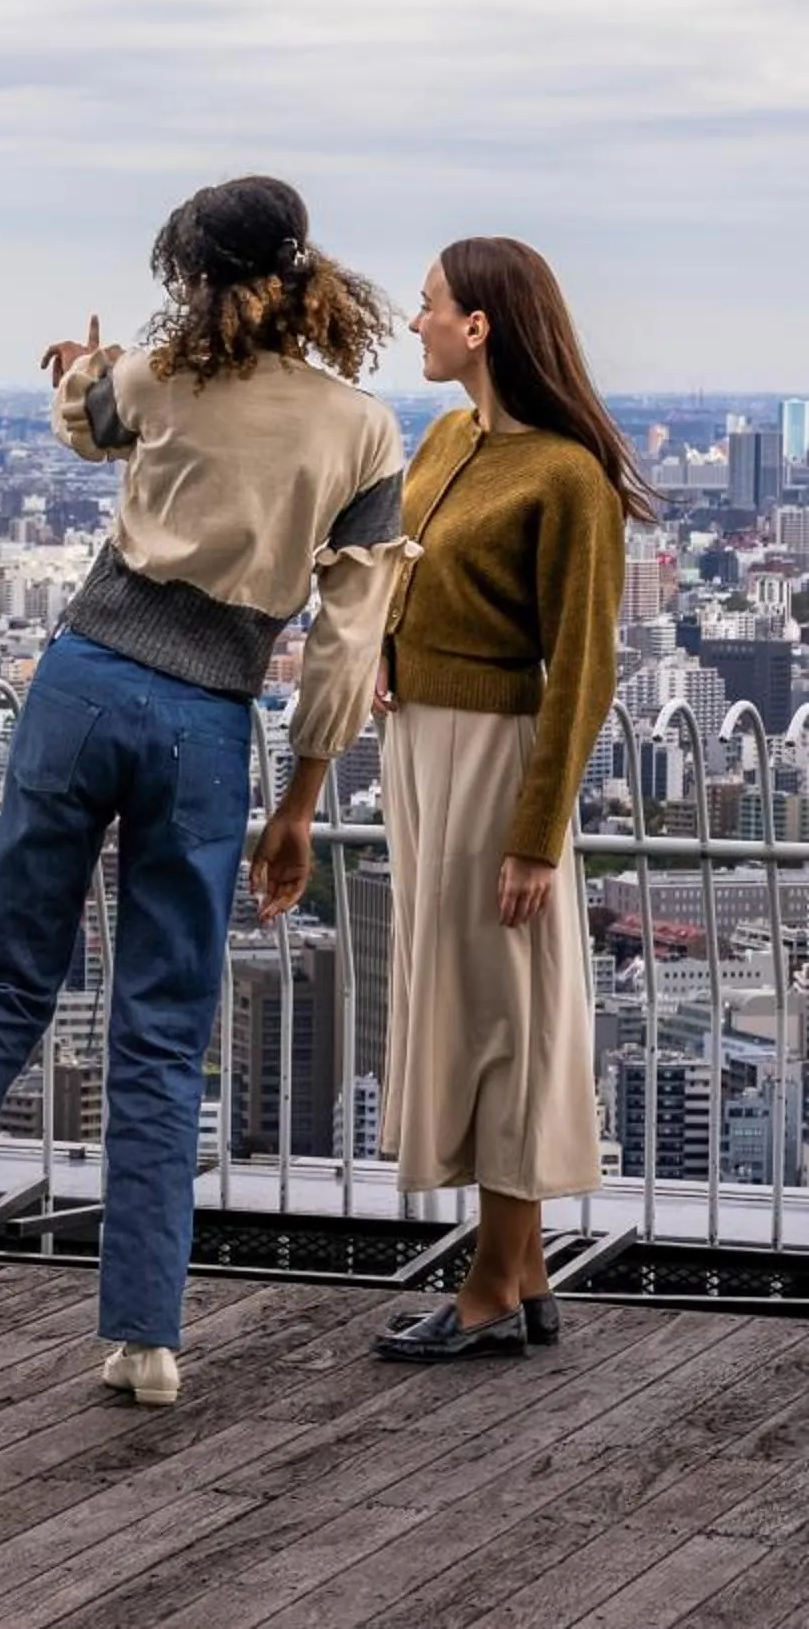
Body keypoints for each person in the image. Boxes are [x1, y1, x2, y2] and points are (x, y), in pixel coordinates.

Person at [0, 177, 406, 1408]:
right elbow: (351, 641)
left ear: (191, 277)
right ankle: (144, 1340)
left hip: (83, 684)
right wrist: (301, 796)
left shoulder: (159, 375)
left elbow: (85, 421)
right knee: (158, 1030)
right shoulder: (361, 430)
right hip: (206, 720)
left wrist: (84, 368)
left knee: (4, 983)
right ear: (307, 275)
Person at [372, 239, 648, 1363]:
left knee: (507, 1012)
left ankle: (493, 1282)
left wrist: (537, 838)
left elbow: (581, 670)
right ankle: (519, 1274)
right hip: (422, 749)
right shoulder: (445, 439)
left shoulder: (565, 476)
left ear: (479, 325)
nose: (416, 322)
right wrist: (389, 651)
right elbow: (406, 564)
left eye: (429, 305)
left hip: (497, 755)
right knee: (463, 997)